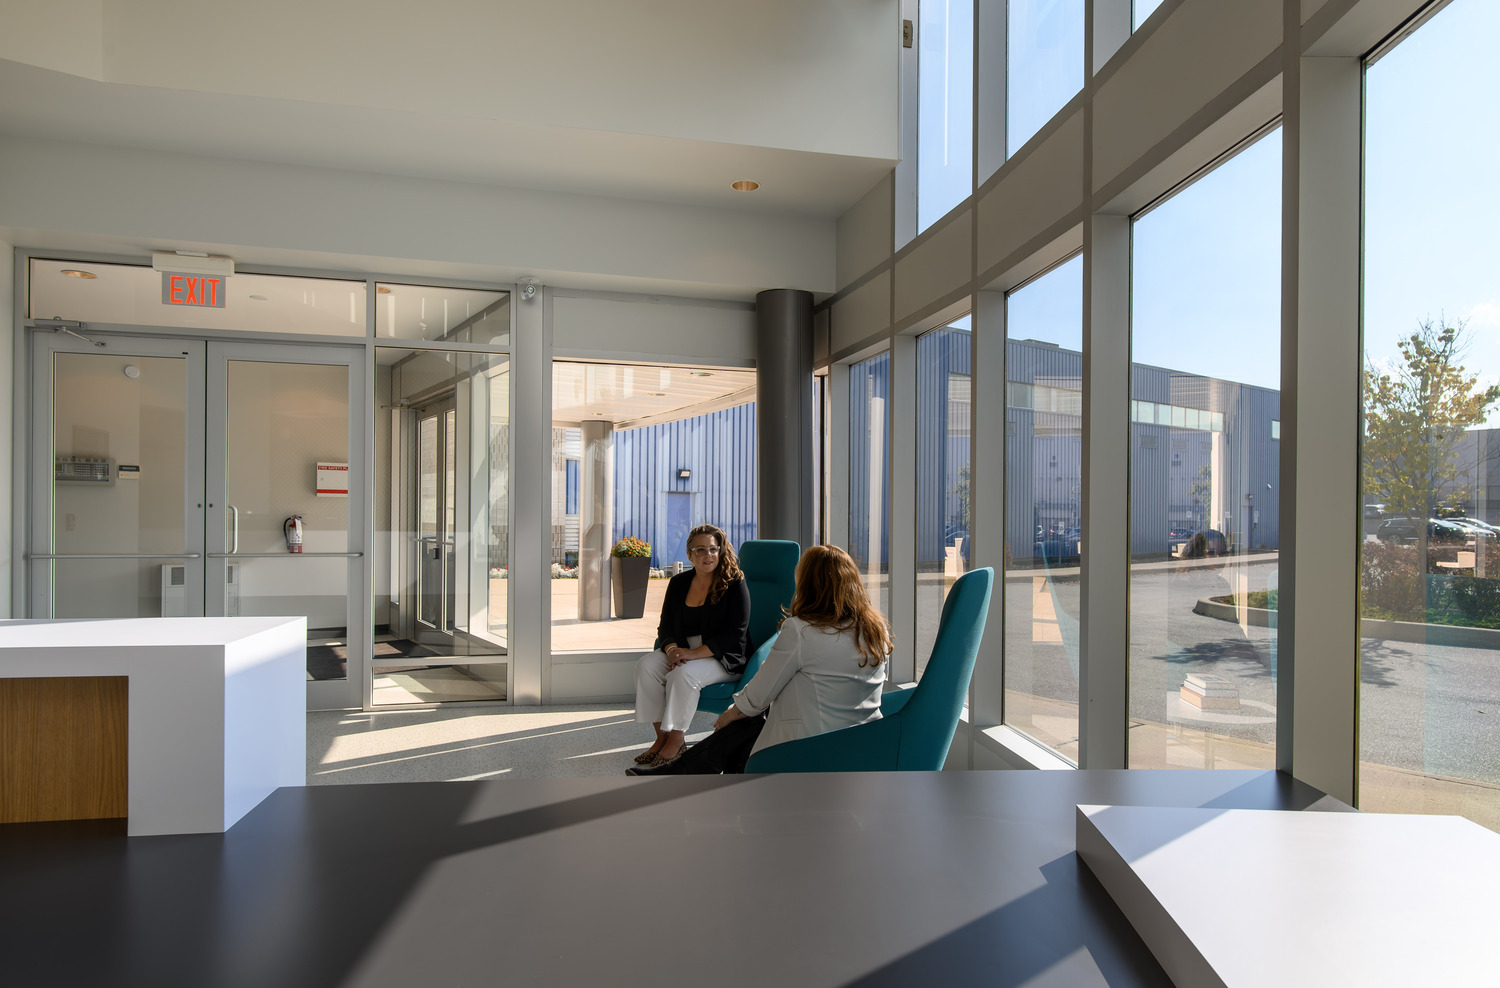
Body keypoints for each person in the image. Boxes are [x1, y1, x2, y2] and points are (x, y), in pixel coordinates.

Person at [628, 544, 891, 775]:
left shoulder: (801, 630)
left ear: (807, 584)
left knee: (742, 723)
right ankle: (687, 769)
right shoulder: (875, 629)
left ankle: (687, 771)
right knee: (746, 726)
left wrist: (731, 714)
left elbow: (760, 693)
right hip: (864, 739)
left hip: (810, 743)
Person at [632, 524, 750, 768]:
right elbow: (665, 628)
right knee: (646, 666)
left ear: (721, 552)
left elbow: (735, 633)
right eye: (701, 550)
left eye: (714, 549)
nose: (708, 555)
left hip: (722, 656)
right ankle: (661, 738)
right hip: (683, 651)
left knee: (682, 674)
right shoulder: (678, 583)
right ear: (690, 554)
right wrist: (673, 650)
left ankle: (676, 741)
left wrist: (692, 654)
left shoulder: (734, 582)